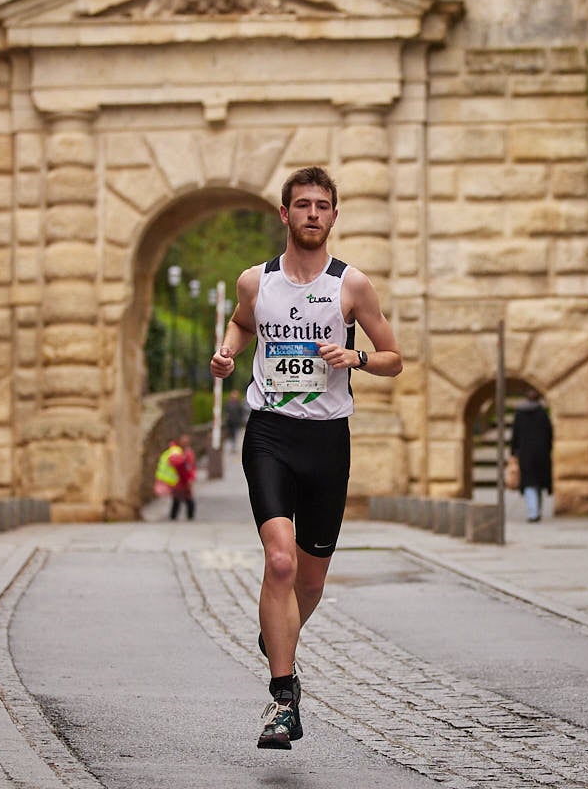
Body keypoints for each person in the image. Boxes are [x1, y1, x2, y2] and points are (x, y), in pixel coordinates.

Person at [209, 166, 402, 750]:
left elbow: (394, 356)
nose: (312, 214)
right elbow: (242, 326)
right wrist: (226, 352)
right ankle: (283, 697)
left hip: (327, 441)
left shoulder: (352, 286)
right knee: (281, 562)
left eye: (323, 205)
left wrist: (356, 358)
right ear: (285, 215)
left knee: (310, 581)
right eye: (302, 205)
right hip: (269, 432)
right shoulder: (255, 282)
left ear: (334, 217)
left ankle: (279, 634)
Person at [509, 388, 554, 522]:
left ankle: (533, 512)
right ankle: (536, 511)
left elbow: (515, 434)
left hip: (525, 453)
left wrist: (513, 452)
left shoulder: (520, 414)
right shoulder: (542, 413)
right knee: (538, 483)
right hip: (541, 453)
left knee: (529, 483)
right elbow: (549, 433)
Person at [169, 433, 197, 520]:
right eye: (183, 440)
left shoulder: (188, 453)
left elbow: (191, 466)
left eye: (186, 441)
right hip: (178, 479)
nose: (185, 442)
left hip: (185, 479)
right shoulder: (177, 452)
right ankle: (173, 516)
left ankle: (190, 516)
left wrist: (191, 478)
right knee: (177, 499)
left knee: (188, 499)